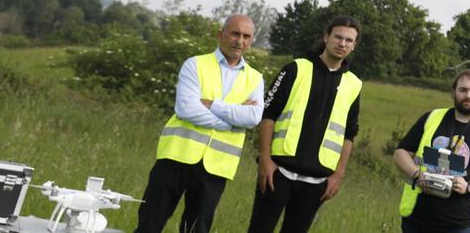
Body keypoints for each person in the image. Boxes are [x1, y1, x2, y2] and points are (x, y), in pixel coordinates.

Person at [135, 14, 265, 233]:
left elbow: (252, 118)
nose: (239, 41)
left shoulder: (255, 78)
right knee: (149, 223)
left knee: (196, 229)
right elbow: (187, 109)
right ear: (220, 35)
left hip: (216, 168)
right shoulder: (195, 64)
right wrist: (231, 122)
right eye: (235, 33)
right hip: (176, 156)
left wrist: (212, 104)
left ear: (251, 41)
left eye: (246, 36)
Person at [248, 16, 363, 233]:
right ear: (326, 36)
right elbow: (268, 114)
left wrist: (338, 174)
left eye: (349, 40)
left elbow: (349, 134)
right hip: (278, 173)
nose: (342, 43)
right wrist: (264, 159)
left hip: (317, 182)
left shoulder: (354, 85)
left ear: (354, 45)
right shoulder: (295, 69)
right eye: (338, 37)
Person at [393, 70, 470, 233]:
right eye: (463, 90)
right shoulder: (431, 118)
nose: (468, 95)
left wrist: (469, 186)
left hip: (461, 224)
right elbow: (400, 154)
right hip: (418, 220)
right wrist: (417, 175)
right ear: (453, 92)